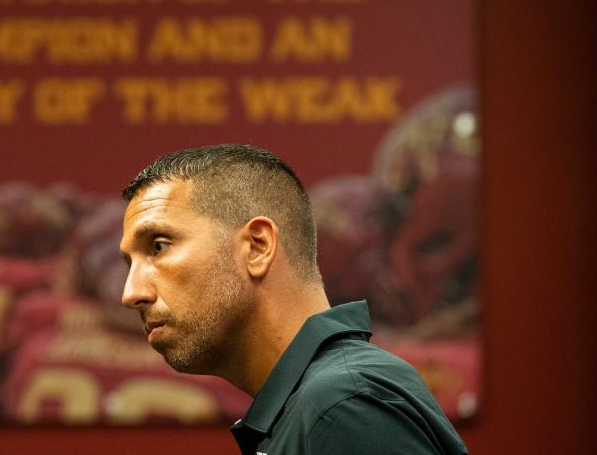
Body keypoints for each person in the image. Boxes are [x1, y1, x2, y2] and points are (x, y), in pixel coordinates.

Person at [119, 143, 468, 454]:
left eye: (158, 246)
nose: (131, 293)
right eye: (129, 262)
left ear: (258, 247)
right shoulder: (318, 406)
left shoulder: (342, 407)